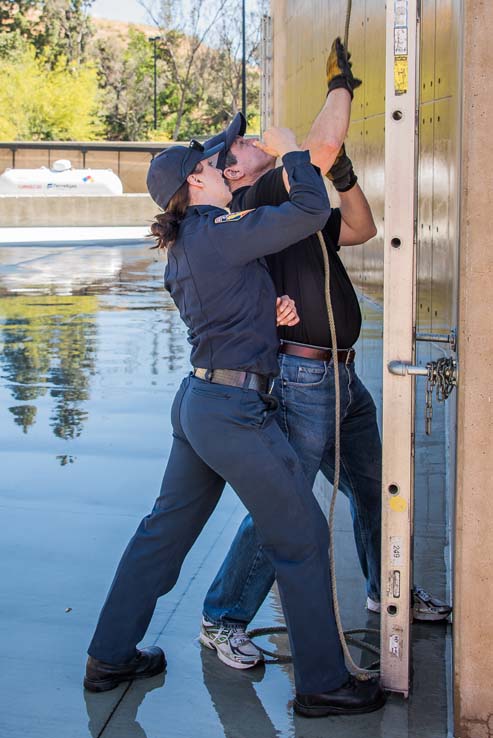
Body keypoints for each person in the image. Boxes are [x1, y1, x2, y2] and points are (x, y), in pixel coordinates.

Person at [83, 128, 386, 717]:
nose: (225, 168)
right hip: (233, 413)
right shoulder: (216, 233)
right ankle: (324, 684)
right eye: (215, 163)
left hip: (201, 402)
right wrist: (295, 150)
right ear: (196, 182)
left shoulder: (192, 243)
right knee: (301, 538)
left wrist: (264, 314)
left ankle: (110, 655)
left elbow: (220, 319)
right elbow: (309, 209)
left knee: (163, 533)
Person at [199, 38, 452, 671]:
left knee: (374, 487)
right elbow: (321, 145)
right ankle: (223, 617)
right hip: (304, 377)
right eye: (246, 142)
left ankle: (386, 593)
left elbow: (361, 228)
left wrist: (341, 178)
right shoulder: (255, 205)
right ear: (235, 172)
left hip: (341, 376)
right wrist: (342, 84)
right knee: (284, 502)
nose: (258, 137)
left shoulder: (295, 205)